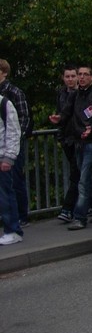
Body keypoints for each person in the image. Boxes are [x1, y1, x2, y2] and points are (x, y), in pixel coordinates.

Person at [53, 66, 92, 229]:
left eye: (86, 74)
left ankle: (80, 217)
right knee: (87, 179)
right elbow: (66, 113)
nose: (82, 77)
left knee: (83, 179)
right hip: (78, 141)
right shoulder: (74, 95)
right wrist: (59, 118)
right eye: (80, 74)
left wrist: (91, 129)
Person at [0, 59, 31, 228]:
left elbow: (23, 117)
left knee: (15, 181)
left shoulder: (13, 92)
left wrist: (18, 140)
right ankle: (9, 217)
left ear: (4, 72)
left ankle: (21, 216)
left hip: (12, 145)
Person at [0, 91, 23, 245]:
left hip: (2, 157)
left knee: (5, 195)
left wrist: (9, 157)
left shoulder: (4, 103)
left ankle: (13, 230)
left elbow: (14, 131)